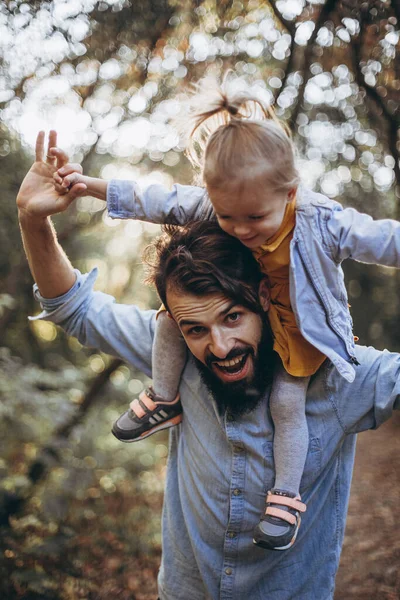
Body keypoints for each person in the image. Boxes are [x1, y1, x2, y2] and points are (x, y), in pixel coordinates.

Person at [16, 131, 400, 600]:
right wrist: (33, 219)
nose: (219, 346)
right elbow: (75, 308)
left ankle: (286, 501)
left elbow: (381, 241)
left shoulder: (341, 377)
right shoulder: (178, 358)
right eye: (194, 329)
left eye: (232, 318)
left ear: (263, 299)